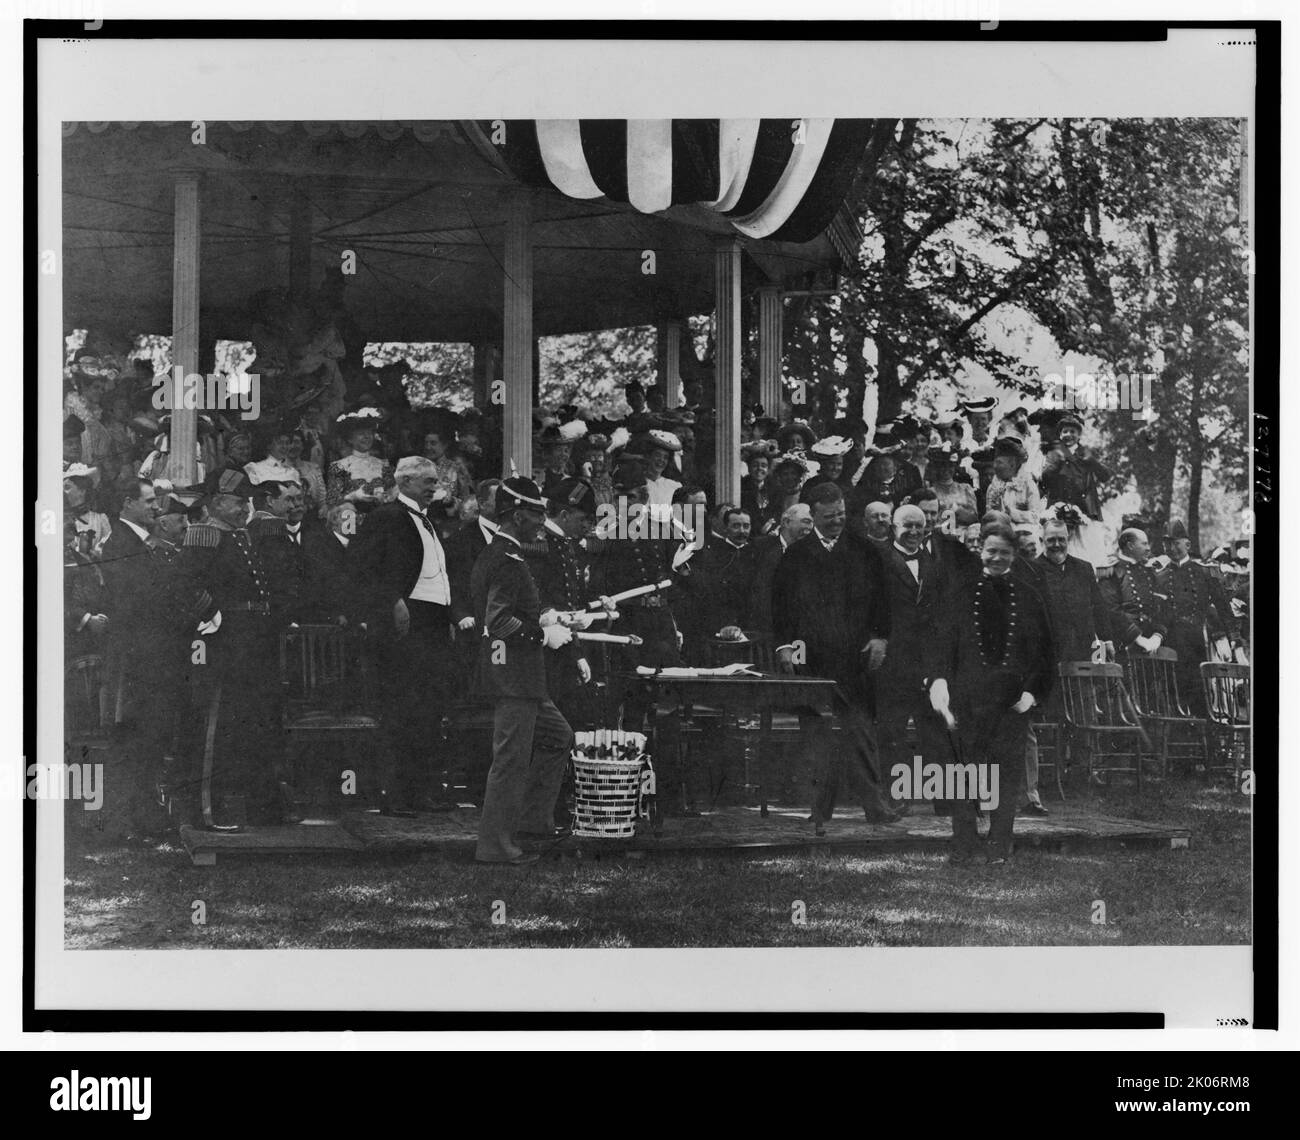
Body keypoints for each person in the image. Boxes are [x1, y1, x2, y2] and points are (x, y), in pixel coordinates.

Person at [772, 482, 899, 828]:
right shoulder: (795, 557)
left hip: (856, 660)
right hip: (812, 661)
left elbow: (883, 602)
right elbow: (781, 607)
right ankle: (820, 810)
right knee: (817, 736)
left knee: (860, 731)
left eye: (841, 514)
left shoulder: (865, 551)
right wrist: (785, 647)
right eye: (829, 516)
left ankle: (876, 807)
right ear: (812, 515)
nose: (837, 521)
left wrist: (880, 640)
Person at [927, 520, 1055, 864]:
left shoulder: (1029, 596)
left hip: (1011, 701)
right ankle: (964, 846)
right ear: (980, 550)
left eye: (1004, 552)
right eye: (991, 551)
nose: (996, 558)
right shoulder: (961, 592)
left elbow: (1046, 653)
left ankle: (1000, 845)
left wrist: (1032, 693)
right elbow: (942, 645)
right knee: (963, 774)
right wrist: (939, 681)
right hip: (968, 698)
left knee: (1005, 775)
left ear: (1014, 554)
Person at [177, 477, 294, 830]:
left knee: (257, 718)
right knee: (217, 722)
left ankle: (263, 807)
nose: (245, 507)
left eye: (247, 501)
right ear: (214, 504)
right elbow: (184, 583)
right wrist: (212, 614)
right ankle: (207, 812)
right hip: (225, 639)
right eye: (235, 501)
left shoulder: (244, 536)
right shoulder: (204, 535)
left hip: (255, 637)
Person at [472, 477, 576, 865]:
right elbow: (499, 622)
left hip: (522, 677)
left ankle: (532, 824)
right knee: (510, 761)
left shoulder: (505, 555)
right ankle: (495, 846)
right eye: (537, 514)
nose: (542, 522)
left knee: (558, 737)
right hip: (513, 676)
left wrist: (546, 616)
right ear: (518, 516)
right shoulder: (506, 559)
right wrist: (541, 635)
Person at [348, 455, 458, 815]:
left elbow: (439, 575)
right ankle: (395, 796)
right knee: (401, 709)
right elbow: (362, 569)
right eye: (427, 480)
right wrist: (393, 601)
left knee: (428, 710)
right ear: (406, 482)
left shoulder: (428, 520)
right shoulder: (386, 517)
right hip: (406, 623)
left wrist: (450, 616)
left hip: (433, 622)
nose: (434, 487)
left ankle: (420, 791)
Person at [875, 505, 945, 817]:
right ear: (893, 527)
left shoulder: (935, 563)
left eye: (920, 526)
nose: (915, 532)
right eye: (908, 526)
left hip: (929, 662)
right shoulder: (878, 559)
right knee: (893, 732)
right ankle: (896, 796)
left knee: (935, 730)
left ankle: (943, 798)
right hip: (894, 661)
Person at [1036, 515, 1112, 793]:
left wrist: (1107, 639)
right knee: (1054, 717)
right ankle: (1051, 778)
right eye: (1051, 539)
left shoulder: (1083, 569)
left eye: (1062, 539)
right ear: (1041, 540)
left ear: (1068, 540)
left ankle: (1083, 775)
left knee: (1084, 716)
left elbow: (1099, 607)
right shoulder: (1033, 570)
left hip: (1082, 654)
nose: (1057, 544)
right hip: (1049, 657)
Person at [1160, 519, 1232, 716]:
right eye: (1167, 544)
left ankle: (1204, 743)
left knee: (1199, 695)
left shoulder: (1204, 572)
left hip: (1196, 642)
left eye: (1176, 543)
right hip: (1169, 643)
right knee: (1174, 695)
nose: (1172, 548)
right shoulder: (1159, 575)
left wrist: (1233, 640)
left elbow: (1223, 608)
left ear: (1187, 545)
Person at [1040, 411, 1112, 567]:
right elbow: (1044, 479)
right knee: (1061, 545)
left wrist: (1093, 462)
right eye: (1065, 431)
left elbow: (1105, 476)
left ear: (1079, 435)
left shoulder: (1085, 453)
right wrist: (1057, 463)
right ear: (1060, 434)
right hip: (1060, 507)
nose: (1068, 435)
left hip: (1085, 508)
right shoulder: (1053, 453)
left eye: (1072, 431)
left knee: (1087, 548)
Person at [1097, 527, 1168, 662]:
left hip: (1151, 643)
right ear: (1130, 546)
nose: (1148, 548)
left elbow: (1160, 605)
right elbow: (1111, 610)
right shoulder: (1112, 571)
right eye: (1144, 543)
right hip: (1124, 643)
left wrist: (1157, 636)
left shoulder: (1149, 571)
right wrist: (1137, 638)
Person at [747, 502, 813, 636]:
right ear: (786, 522)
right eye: (806, 521)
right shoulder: (759, 548)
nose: (810, 528)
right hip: (764, 630)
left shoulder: (811, 553)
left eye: (812, 523)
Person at [326, 407, 394, 514]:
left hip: (380, 519)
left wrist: (385, 497)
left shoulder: (382, 464)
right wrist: (353, 497)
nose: (367, 437)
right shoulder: (339, 466)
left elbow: (392, 492)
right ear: (350, 439)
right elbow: (332, 501)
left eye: (369, 433)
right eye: (361, 433)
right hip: (352, 521)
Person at [985, 435, 1042, 525]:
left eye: (999, 462)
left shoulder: (1028, 484)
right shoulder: (993, 487)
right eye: (995, 462)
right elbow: (988, 517)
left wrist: (1011, 512)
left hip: (1024, 532)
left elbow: (1035, 517)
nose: (995, 466)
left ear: (1012, 464)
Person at [64, 463, 112, 558]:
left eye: (67, 487)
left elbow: (108, 550)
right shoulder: (60, 518)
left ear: (82, 491)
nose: (63, 492)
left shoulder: (99, 520)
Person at [639, 429, 683, 507]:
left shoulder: (674, 486)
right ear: (649, 456)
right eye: (657, 455)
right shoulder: (638, 483)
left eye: (665, 457)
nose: (661, 460)